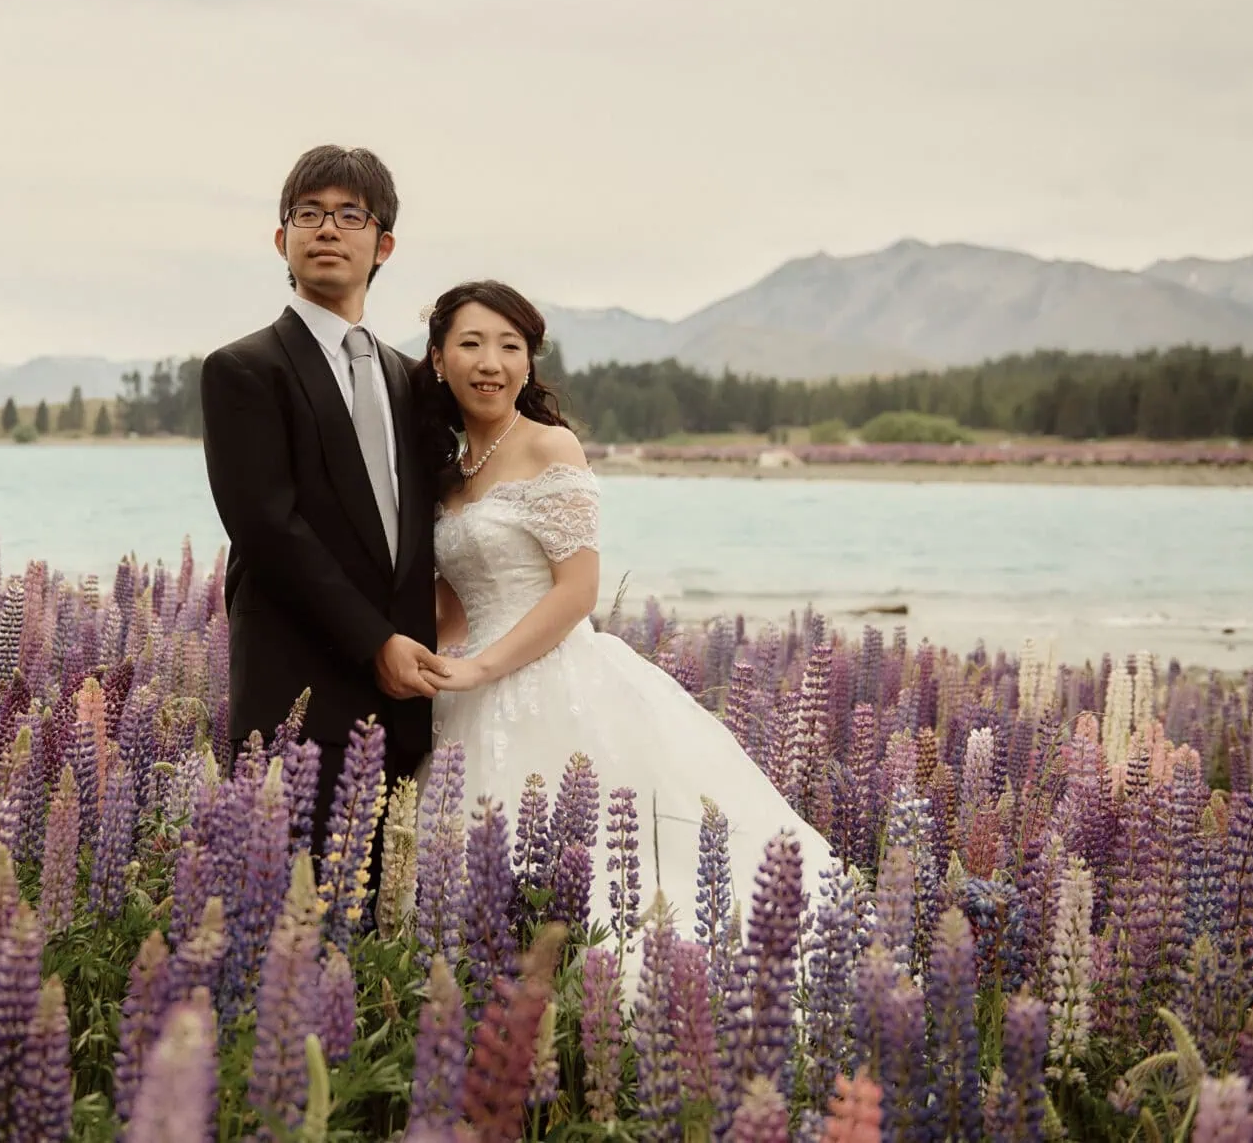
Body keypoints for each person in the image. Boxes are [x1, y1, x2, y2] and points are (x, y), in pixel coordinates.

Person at [413, 279, 837, 956]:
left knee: (607, 870)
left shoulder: (551, 447)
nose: (490, 363)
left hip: (553, 676)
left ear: (529, 362)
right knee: (465, 880)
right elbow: (462, 601)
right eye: (471, 344)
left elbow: (577, 592)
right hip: (468, 690)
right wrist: (399, 650)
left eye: (510, 346)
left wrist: (483, 668)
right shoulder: (450, 469)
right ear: (439, 359)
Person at [199, 145, 447, 870]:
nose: (328, 229)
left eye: (349, 215)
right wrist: (377, 642)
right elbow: (267, 528)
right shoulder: (244, 369)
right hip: (295, 698)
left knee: (385, 915)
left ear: (383, 245)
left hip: (404, 703)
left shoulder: (408, 378)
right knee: (283, 907)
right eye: (309, 214)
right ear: (283, 239)